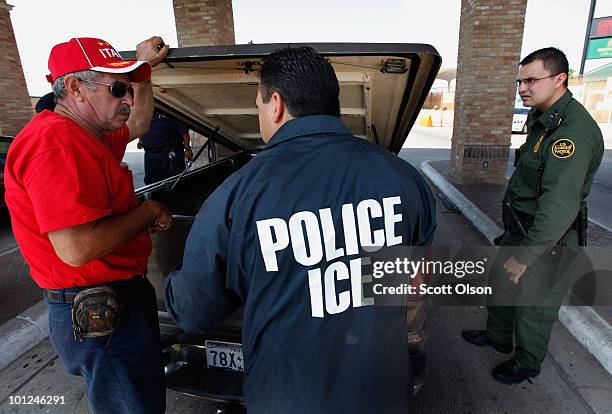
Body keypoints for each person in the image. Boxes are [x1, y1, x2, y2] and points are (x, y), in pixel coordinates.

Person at [164, 46, 436, 413]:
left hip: (287, 399)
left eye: (258, 105)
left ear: (275, 103)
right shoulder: (405, 178)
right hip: (382, 391)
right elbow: (417, 279)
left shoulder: (238, 194)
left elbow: (194, 311)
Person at [5, 36, 172, 413]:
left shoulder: (88, 134)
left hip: (116, 302)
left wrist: (142, 74)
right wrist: (147, 212)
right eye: (117, 90)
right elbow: (76, 248)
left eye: (127, 90)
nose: (127, 100)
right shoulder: (55, 143)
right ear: (75, 88)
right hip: (100, 311)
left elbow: (141, 121)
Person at [462, 47, 604, 384]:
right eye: (519, 81)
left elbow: (559, 204)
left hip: (549, 240)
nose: (523, 87)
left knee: (532, 307)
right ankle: (497, 337)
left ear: (559, 79)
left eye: (531, 80)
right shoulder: (543, 118)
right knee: (500, 287)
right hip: (522, 230)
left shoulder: (571, 133)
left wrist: (526, 256)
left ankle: (527, 363)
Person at [139, 109, 193, 184]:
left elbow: (184, 133)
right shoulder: (143, 114)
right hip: (150, 154)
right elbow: (140, 127)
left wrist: (187, 149)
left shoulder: (169, 113)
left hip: (169, 154)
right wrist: (140, 140)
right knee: (151, 181)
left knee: (174, 180)